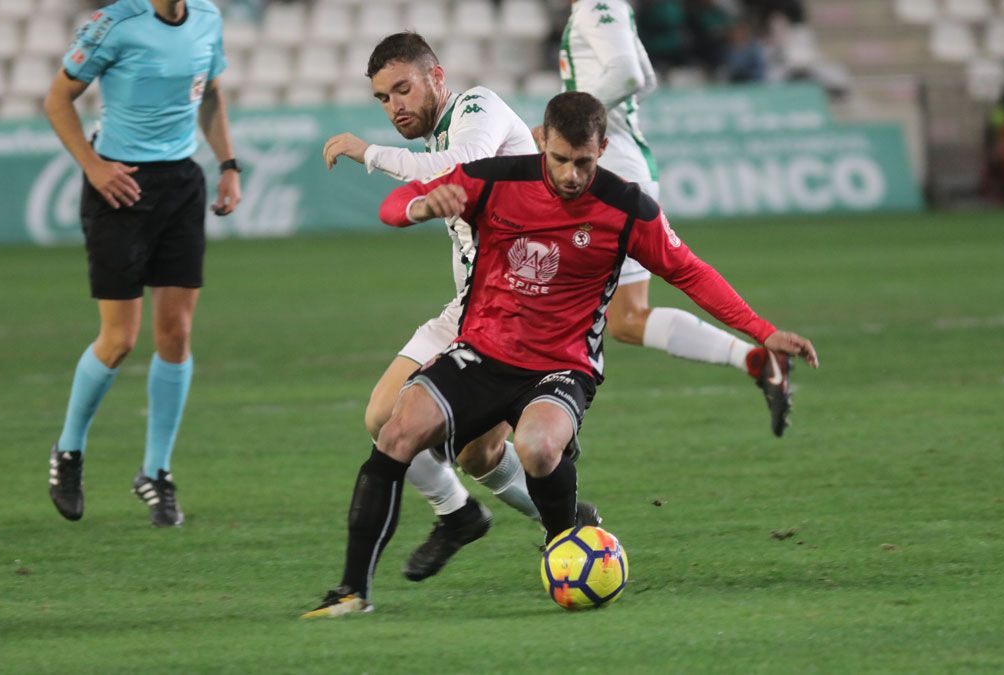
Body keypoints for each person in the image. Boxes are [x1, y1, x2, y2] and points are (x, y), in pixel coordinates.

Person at [301, 91, 819, 618]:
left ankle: (563, 540)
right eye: (561, 159)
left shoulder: (626, 206)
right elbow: (393, 206)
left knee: (538, 447)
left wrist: (763, 331)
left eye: (585, 162)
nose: (572, 175)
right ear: (541, 140)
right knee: (395, 430)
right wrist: (419, 207)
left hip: (562, 364)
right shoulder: (494, 177)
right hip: (481, 351)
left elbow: (688, 272)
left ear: (603, 148)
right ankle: (351, 593)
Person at [320, 33, 599, 582]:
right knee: (384, 418)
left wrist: (367, 151)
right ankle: (462, 514)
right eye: (383, 98)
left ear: (437, 78)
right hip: (469, 309)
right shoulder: (433, 139)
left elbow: (465, 163)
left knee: (480, 453)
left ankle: (565, 523)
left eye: (403, 89)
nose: (395, 106)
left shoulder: (477, 107)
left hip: (522, 317)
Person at [44, 0, 240, 527]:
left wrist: (227, 164)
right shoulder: (115, 23)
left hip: (180, 183)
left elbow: (212, 93)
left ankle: (156, 472)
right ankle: (68, 451)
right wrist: (93, 167)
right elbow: (57, 99)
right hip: (119, 189)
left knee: (175, 333)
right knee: (120, 339)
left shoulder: (207, 18)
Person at [561, 0, 794, 437]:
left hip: (609, 174)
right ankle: (757, 362)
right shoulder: (612, 7)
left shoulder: (597, 4)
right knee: (628, 319)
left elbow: (631, 76)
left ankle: (503, 415)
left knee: (554, 296)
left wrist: (572, 126)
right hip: (624, 166)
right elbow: (645, 79)